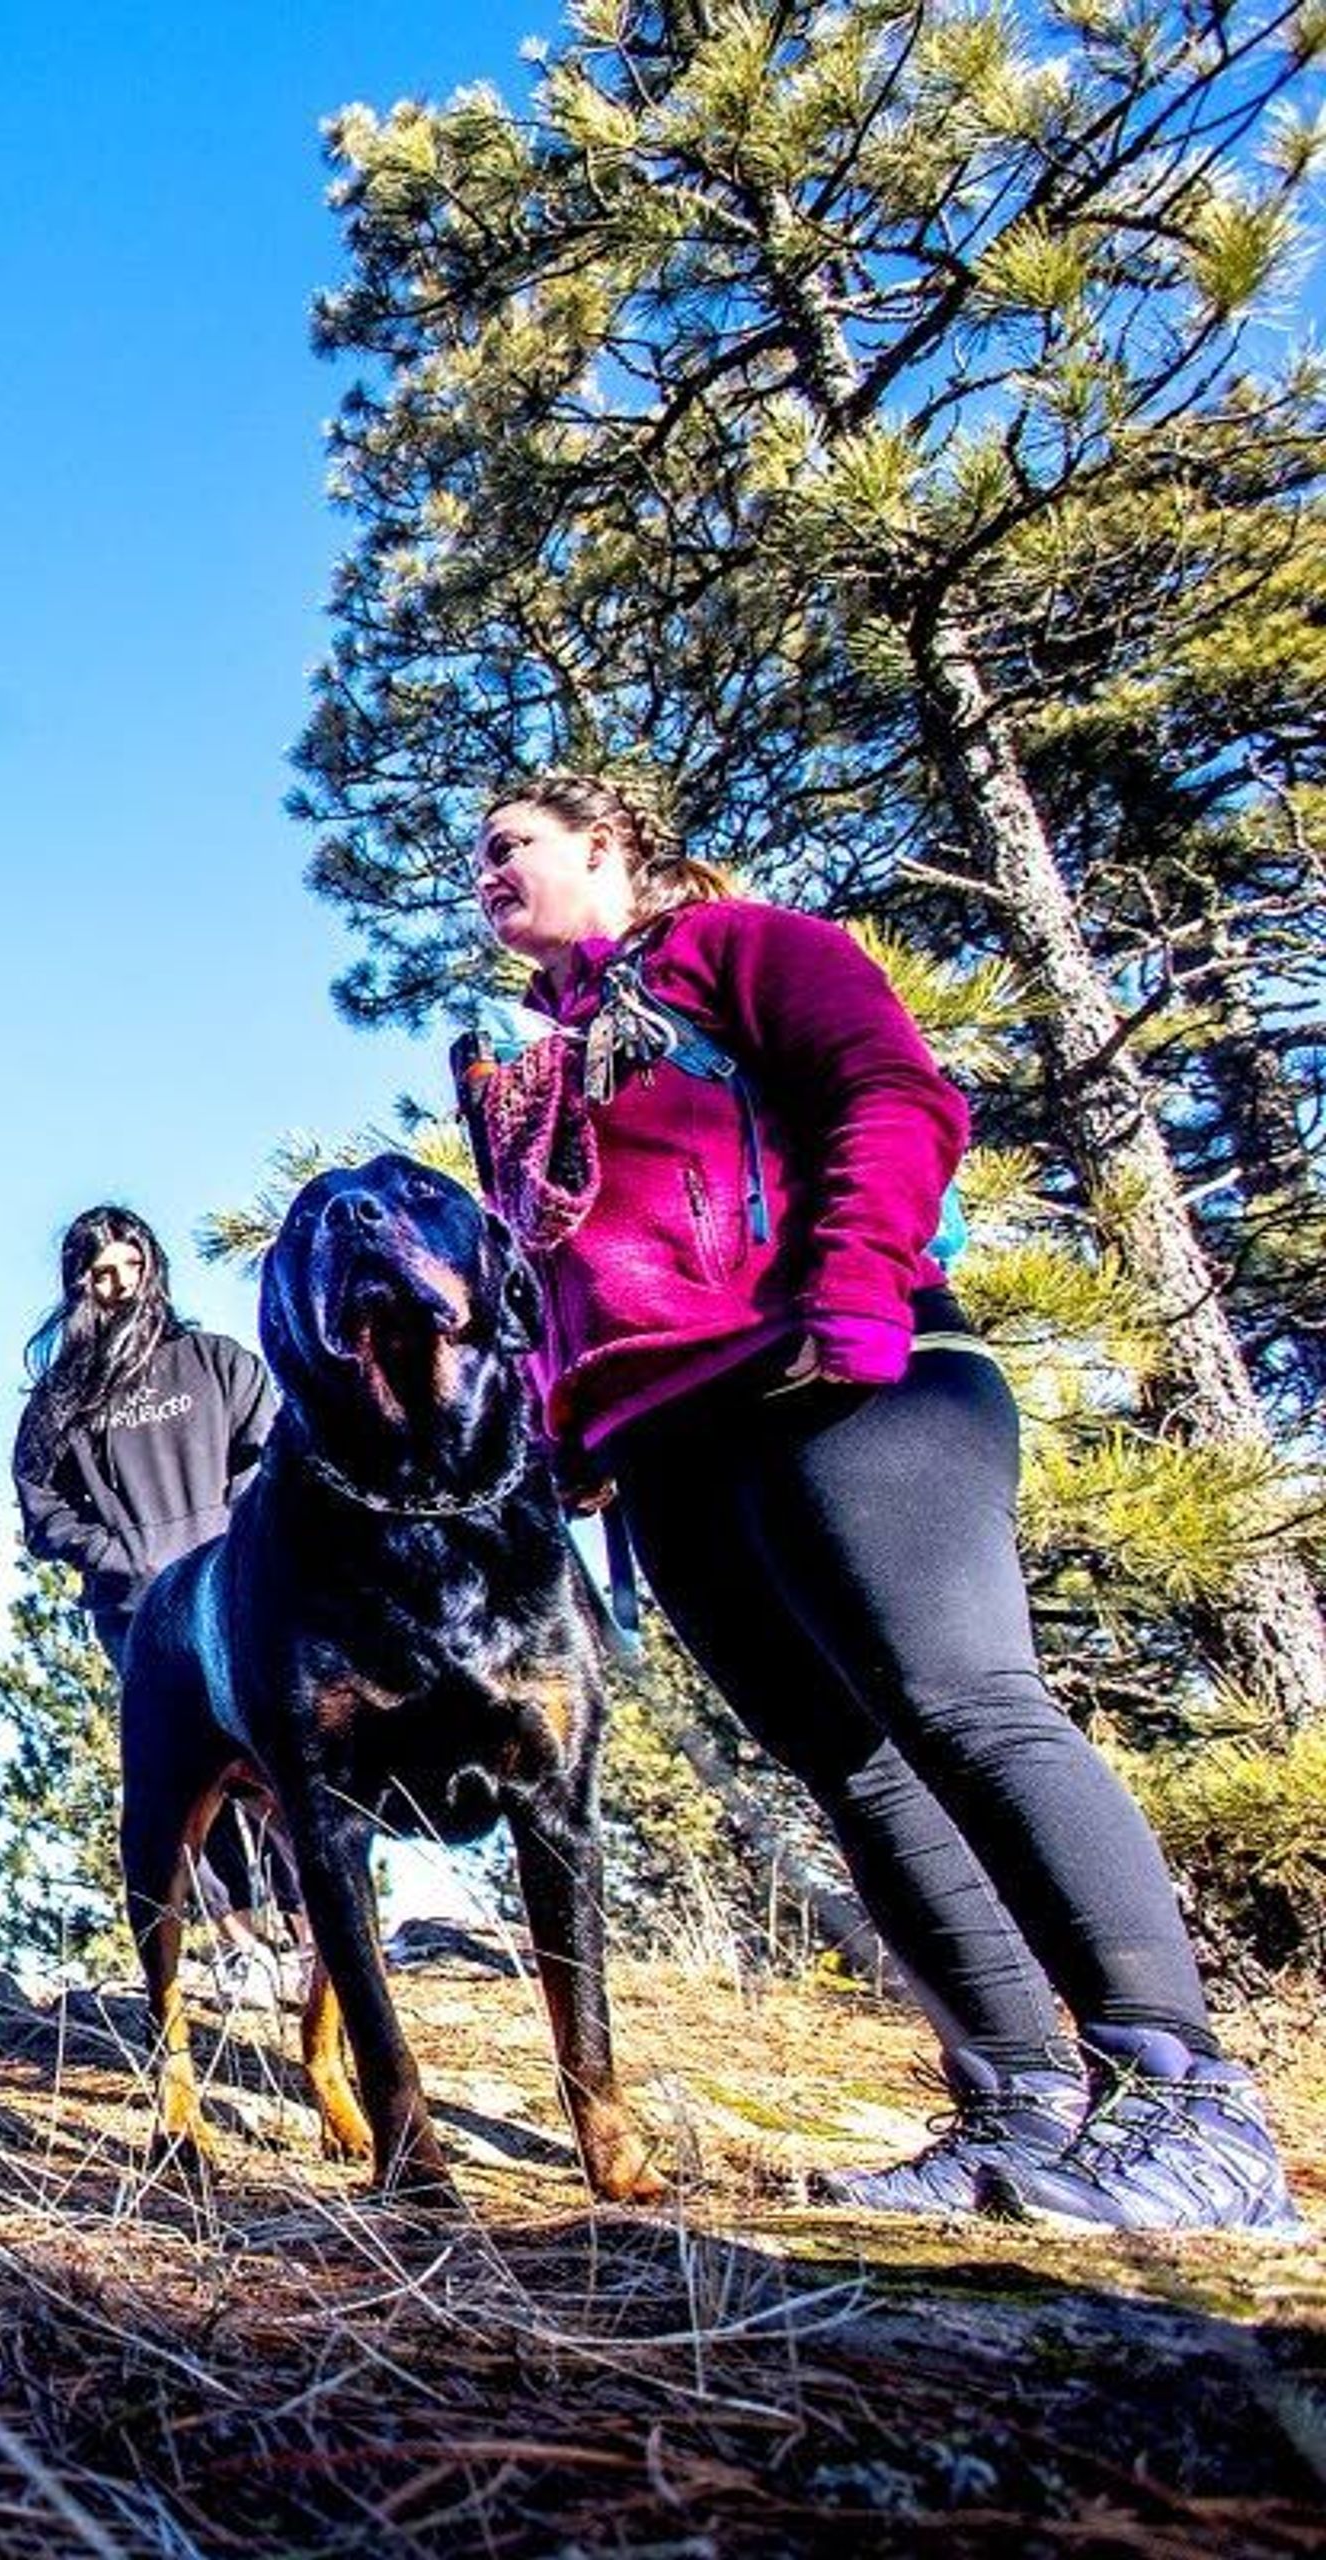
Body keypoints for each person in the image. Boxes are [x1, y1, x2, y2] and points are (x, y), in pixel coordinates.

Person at [457, 768, 1295, 2233]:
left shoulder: (749, 949)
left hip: (848, 1378)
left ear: (606, 846)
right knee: (849, 1765)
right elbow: (553, 1283)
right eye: (474, 859)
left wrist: (855, 1290)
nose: (482, 873)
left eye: (508, 846)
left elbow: (895, 1096)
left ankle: (1191, 2108)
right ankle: (1017, 2107)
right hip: (672, 1447)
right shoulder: (543, 1063)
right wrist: (560, 1425)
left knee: (966, 1705)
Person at [10, 1205, 290, 1987]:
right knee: (187, 1777)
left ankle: (309, 1932)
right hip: (141, 1618)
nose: (121, 1286)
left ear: (154, 1267)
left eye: (133, 1267)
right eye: (103, 1275)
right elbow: (41, 1511)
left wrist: (237, 1540)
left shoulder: (218, 1363)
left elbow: (269, 1456)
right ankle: (239, 1941)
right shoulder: (60, 1403)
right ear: (79, 1286)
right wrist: (121, 1559)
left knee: (281, 1756)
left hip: (238, 1598)